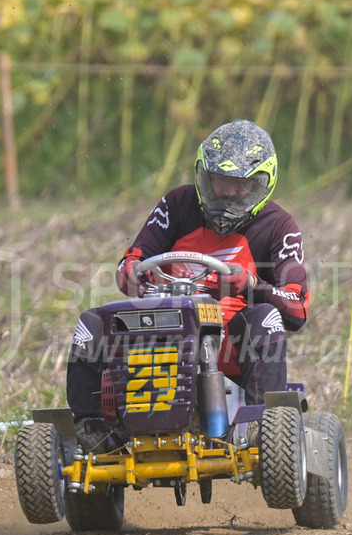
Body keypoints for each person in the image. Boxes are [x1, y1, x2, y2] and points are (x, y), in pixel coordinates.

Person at [66, 119, 311, 450]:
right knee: (90, 325)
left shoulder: (279, 225)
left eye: (239, 186)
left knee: (266, 318)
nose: (226, 194)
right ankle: (92, 433)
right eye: (218, 181)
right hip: (162, 324)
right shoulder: (178, 204)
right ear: (203, 177)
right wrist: (134, 273)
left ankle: (259, 427)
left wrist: (249, 285)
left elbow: (296, 307)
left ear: (260, 185)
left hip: (230, 338)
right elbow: (132, 260)